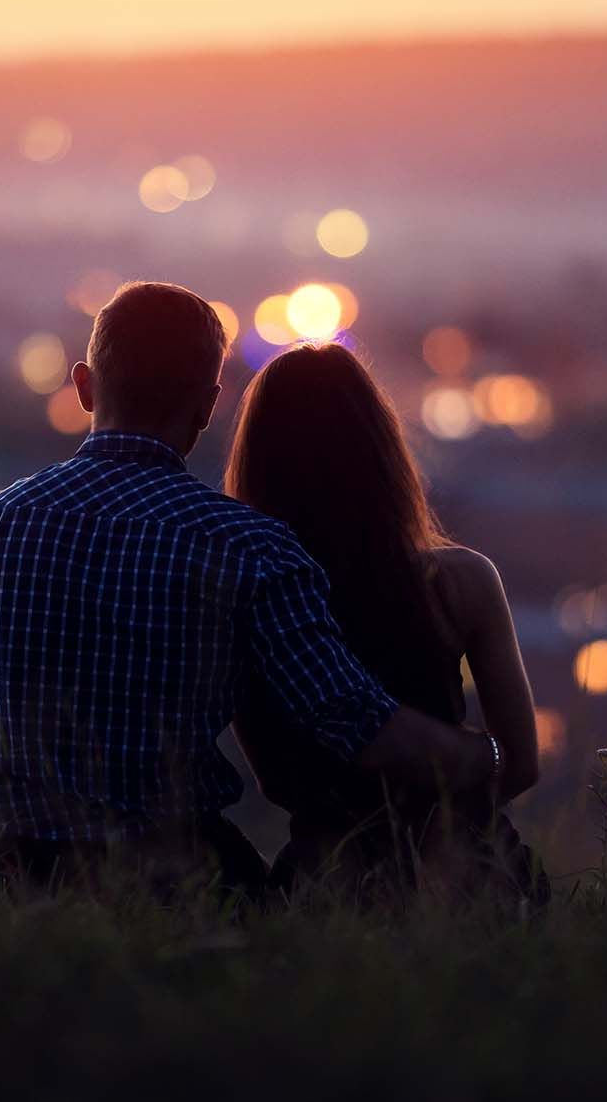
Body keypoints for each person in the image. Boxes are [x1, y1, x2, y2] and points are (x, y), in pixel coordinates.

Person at [0, 282, 502, 896]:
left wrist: (26, 844)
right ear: (209, 404)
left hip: (1, 891)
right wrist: (483, 760)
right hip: (175, 886)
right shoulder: (246, 547)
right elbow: (353, 722)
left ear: (85, 386)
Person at [226, 341, 544, 897]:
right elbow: (518, 763)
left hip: (326, 878)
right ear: (382, 451)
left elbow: (275, 781)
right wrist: (457, 783)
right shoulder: (461, 581)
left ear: (260, 463)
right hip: (478, 870)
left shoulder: (252, 596)